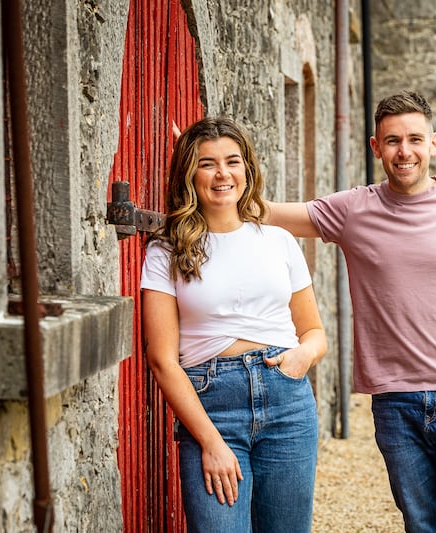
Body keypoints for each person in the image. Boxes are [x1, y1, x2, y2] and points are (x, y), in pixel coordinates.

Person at [266, 91, 436, 532]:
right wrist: (210, 171)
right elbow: (269, 213)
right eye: (392, 141)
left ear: (434, 143)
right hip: (395, 404)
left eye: (414, 139)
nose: (404, 152)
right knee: (421, 525)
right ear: (375, 147)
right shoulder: (352, 210)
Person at [141, 117, 326, 533]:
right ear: (190, 173)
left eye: (233, 161)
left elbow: (314, 331)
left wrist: (302, 357)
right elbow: (162, 360)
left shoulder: (278, 240)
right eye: (207, 164)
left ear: (248, 169)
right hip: (211, 404)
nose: (223, 174)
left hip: (287, 401)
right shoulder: (166, 250)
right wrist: (209, 442)